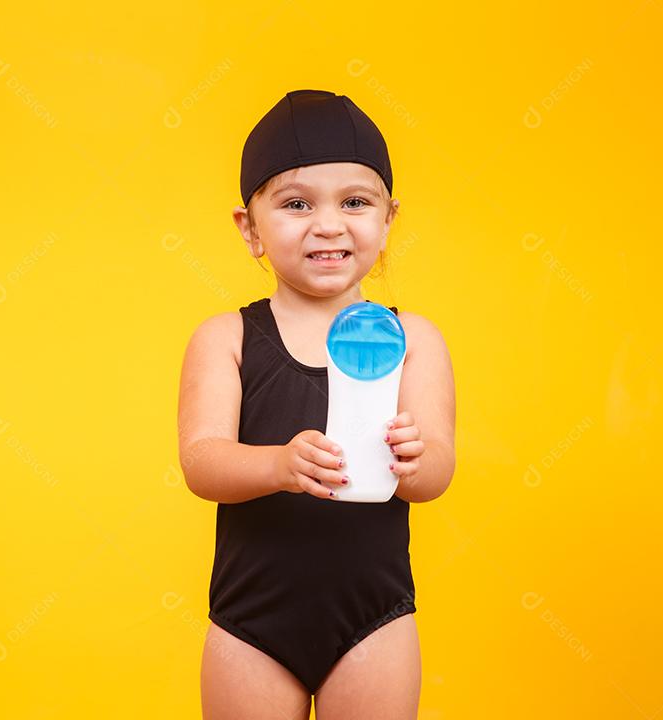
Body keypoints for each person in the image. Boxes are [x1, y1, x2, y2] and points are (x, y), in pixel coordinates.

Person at [177, 89, 456, 720]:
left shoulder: (415, 339)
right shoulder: (226, 338)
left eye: (355, 202)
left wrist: (415, 461)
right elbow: (201, 461)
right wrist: (279, 465)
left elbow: (437, 472)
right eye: (297, 204)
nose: (329, 225)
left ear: (388, 219)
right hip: (252, 623)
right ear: (250, 228)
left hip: (374, 621)